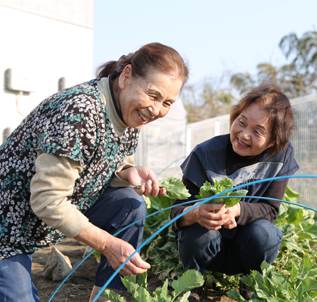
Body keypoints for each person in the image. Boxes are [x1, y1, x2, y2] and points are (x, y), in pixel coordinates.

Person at [0, 42, 189, 302]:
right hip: (7, 226)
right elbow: (47, 200)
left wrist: (127, 172)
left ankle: (106, 298)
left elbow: (113, 158)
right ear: (126, 76)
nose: (157, 110)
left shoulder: (130, 111)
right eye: (153, 95)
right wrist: (107, 245)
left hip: (39, 219)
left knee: (130, 204)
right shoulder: (79, 111)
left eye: (167, 102)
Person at [170, 84, 299, 301]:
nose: (244, 134)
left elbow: (270, 209)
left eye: (257, 131)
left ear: (273, 141)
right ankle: (192, 283)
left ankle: (251, 282)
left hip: (245, 248)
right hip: (207, 246)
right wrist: (195, 213)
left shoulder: (281, 156)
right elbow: (175, 211)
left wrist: (238, 209)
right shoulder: (205, 153)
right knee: (198, 230)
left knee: (267, 234)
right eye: (242, 122)